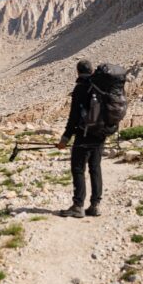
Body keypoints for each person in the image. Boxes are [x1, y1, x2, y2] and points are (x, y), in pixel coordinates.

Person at [56, 59, 105, 218]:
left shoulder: (80, 88)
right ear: (92, 71)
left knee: (78, 169)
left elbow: (73, 117)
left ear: (77, 72)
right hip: (100, 135)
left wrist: (65, 138)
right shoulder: (101, 87)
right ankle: (95, 205)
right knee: (95, 168)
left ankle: (78, 206)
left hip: (83, 136)